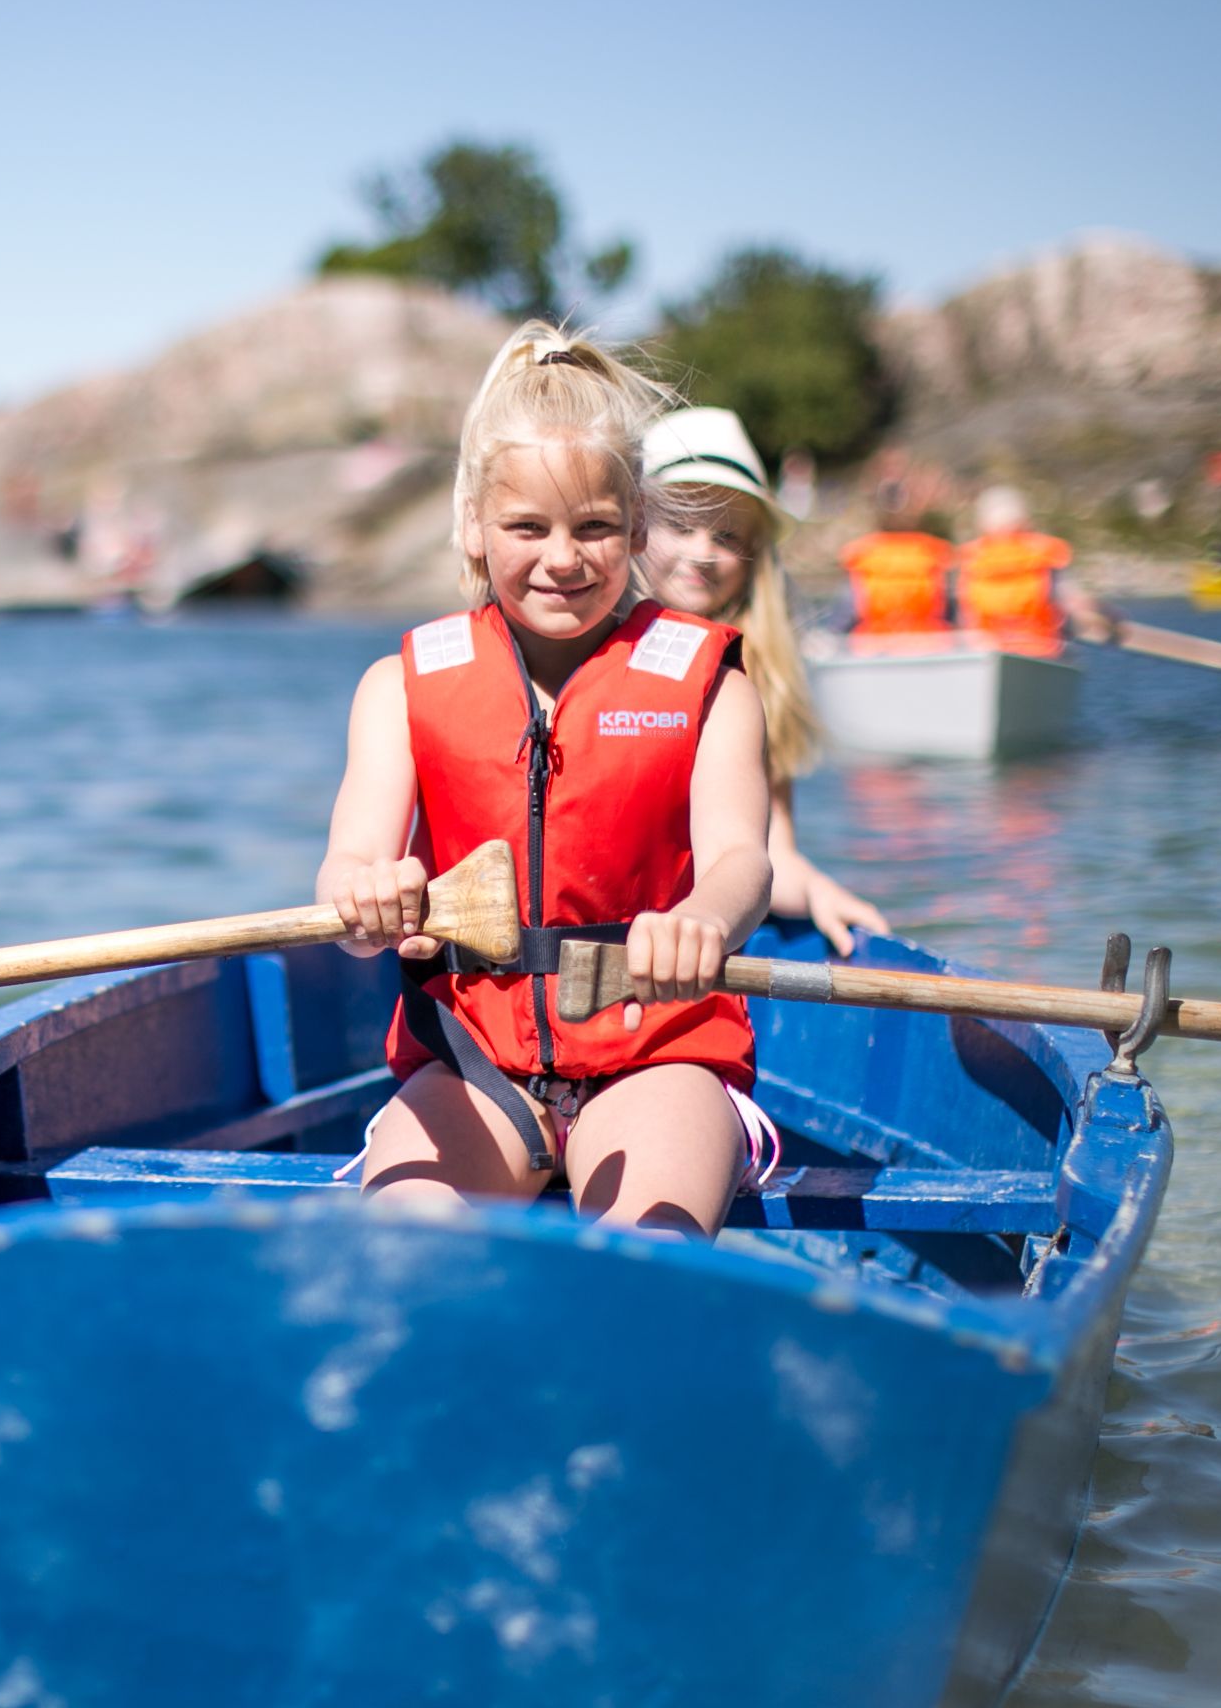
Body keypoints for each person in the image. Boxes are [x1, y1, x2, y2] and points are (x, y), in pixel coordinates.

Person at [317, 325, 777, 1237]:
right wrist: (366, 894)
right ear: (473, 528)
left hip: (657, 1056)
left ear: (639, 527)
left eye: (596, 528)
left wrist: (705, 921)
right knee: (397, 1255)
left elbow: (742, 861)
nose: (562, 558)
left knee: (643, 1259)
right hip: (472, 1065)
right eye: (527, 527)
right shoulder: (397, 689)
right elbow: (348, 865)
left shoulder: (714, 688)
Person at [638, 408, 889, 957]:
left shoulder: (760, 674)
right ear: (635, 525)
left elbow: (774, 849)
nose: (702, 552)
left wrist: (818, 888)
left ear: (754, 554)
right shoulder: (586, 650)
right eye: (682, 526)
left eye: (726, 535)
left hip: (701, 943)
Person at [958, 485, 1114, 652]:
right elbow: (1075, 601)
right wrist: (1108, 617)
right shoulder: (1045, 553)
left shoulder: (972, 557)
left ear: (983, 523)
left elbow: (964, 615)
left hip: (987, 650)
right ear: (1025, 520)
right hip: (1040, 649)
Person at [838, 492, 955, 639]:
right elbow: (948, 607)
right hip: (928, 643)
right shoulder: (932, 553)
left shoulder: (862, 554)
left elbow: (848, 610)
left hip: (873, 644)